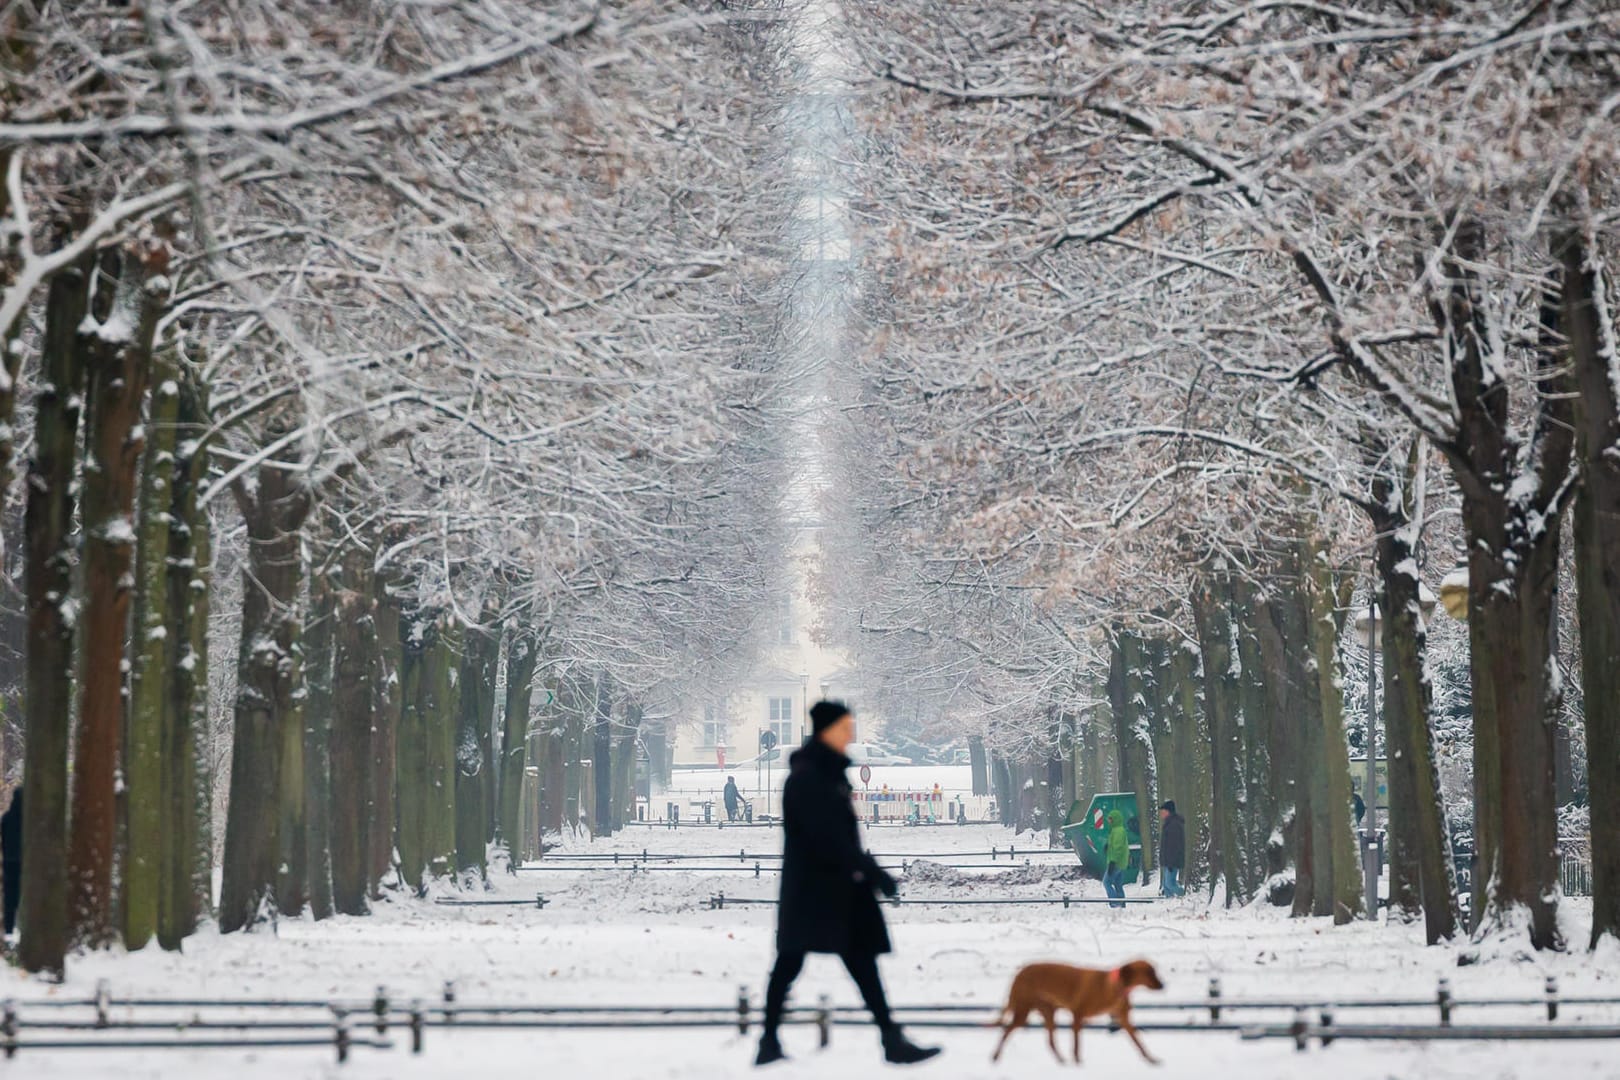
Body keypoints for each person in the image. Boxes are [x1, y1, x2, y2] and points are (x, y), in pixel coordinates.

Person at [756, 701, 940, 1067]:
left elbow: (836, 837)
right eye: (844, 728)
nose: (850, 734)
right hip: (818, 890)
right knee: (793, 963)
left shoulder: (824, 773)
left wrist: (867, 870)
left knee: (855, 963)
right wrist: (872, 872)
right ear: (826, 730)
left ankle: (889, 1039)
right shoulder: (810, 777)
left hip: (832, 887)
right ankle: (769, 1041)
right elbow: (828, 837)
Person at [2, 785, 21, 935]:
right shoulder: (30, 820)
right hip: (25, 863)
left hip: (9, 862)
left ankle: (9, 928)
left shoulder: (6, 818)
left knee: (10, 896)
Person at [1158, 801, 1186, 898]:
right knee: (1166, 885)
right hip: (1168, 860)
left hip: (1172, 861)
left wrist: (1171, 861)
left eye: (1163, 811)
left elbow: (1174, 845)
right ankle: (1169, 903)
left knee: (1170, 884)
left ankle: (1185, 894)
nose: (1161, 813)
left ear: (1168, 811)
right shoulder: (1169, 823)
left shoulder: (1173, 825)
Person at [1103, 808, 1129, 909]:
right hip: (1121, 862)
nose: (1108, 821)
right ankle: (1121, 903)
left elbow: (1118, 848)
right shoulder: (1118, 830)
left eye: (1110, 819)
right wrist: (1108, 847)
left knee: (1107, 882)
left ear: (1115, 819)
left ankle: (1115, 902)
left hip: (1116, 862)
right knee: (1118, 884)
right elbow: (1116, 846)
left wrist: (1113, 861)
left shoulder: (1118, 831)